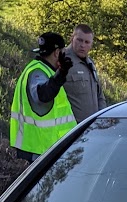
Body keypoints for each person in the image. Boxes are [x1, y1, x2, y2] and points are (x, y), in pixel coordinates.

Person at [9, 32, 77, 162]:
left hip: (43, 148)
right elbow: (42, 95)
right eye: (63, 51)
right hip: (38, 150)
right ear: (57, 53)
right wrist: (61, 74)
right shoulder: (38, 71)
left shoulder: (44, 70)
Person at [62, 24, 107, 123]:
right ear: (71, 38)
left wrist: (102, 118)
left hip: (91, 128)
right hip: (71, 129)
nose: (82, 45)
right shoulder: (61, 60)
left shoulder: (90, 64)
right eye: (79, 40)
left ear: (91, 44)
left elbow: (99, 95)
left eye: (87, 42)